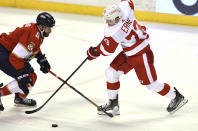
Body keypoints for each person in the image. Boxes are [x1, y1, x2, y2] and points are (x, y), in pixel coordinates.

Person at [86, 0, 188, 116]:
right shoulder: (126, 9)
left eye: (110, 20)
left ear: (117, 18)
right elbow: (128, 2)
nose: (108, 22)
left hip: (141, 54)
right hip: (129, 52)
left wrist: (94, 51)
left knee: (151, 84)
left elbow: (107, 50)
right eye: (107, 19)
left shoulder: (114, 31)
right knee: (111, 72)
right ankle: (113, 104)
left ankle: (177, 97)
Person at [0, 12, 55, 111]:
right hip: (3, 54)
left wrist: (40, 57)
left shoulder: (38, 32)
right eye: (48, 28)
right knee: (27, 78)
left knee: (31, 76)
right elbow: (15, 58)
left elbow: (33, 46)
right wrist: (22, 76)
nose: (50, 30)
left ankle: (20, 98)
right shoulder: (33, 35)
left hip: (8, 52)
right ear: (41, 26)